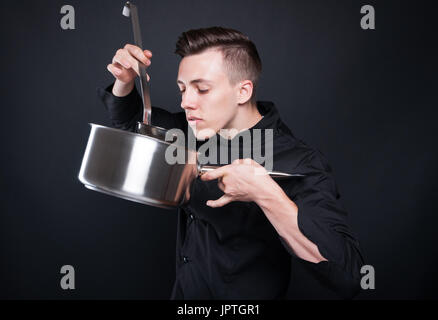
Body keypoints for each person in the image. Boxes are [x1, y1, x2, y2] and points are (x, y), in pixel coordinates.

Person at [98, 27, 364, 299]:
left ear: (243, 91)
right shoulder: (189, 132)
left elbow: (347, 276)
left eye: (202, 89)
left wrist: (265, 193)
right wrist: (124, 78)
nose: (186, 102)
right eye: (182, 89)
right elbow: (132, 122)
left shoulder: (299, 160)